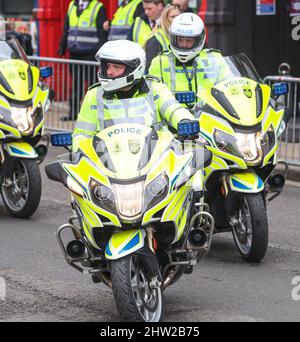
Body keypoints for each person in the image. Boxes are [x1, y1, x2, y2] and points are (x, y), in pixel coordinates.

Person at [72, 40, 194, 151]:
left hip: (154, 159)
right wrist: (79, 149)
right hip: (107, 163)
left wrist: (185, 121)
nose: (109, 71)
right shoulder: (95, 94)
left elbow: (174, 109)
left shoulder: (155, 89)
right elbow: (82, 133)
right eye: (108, 66)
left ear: (133, 69)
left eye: (116, 67)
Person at [148, 13, 224, 109]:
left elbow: (229, 87)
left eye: (189, 41)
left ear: (199, 40)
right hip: (170, 118)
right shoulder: (159, 62)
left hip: (209, 115)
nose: (183, 45)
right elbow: (152, 95)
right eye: (180, 40)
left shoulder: (214, 58)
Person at [58, 0, 108, 121]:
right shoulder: (72, 5)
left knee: (93, 85)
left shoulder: (98, 7)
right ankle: (73, 113)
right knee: (76, 84)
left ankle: (96, 114)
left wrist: (101, 53)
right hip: (74, 53)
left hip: (90, 54)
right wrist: (62, 46)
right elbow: (66, 28)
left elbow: (102, 33)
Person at [145, 4, 180, 72]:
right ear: (165, 19)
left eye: (178, 16)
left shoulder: (180, 37)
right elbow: (149, 68)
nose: (177, 19)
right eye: (173, 17)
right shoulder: (155, 40)